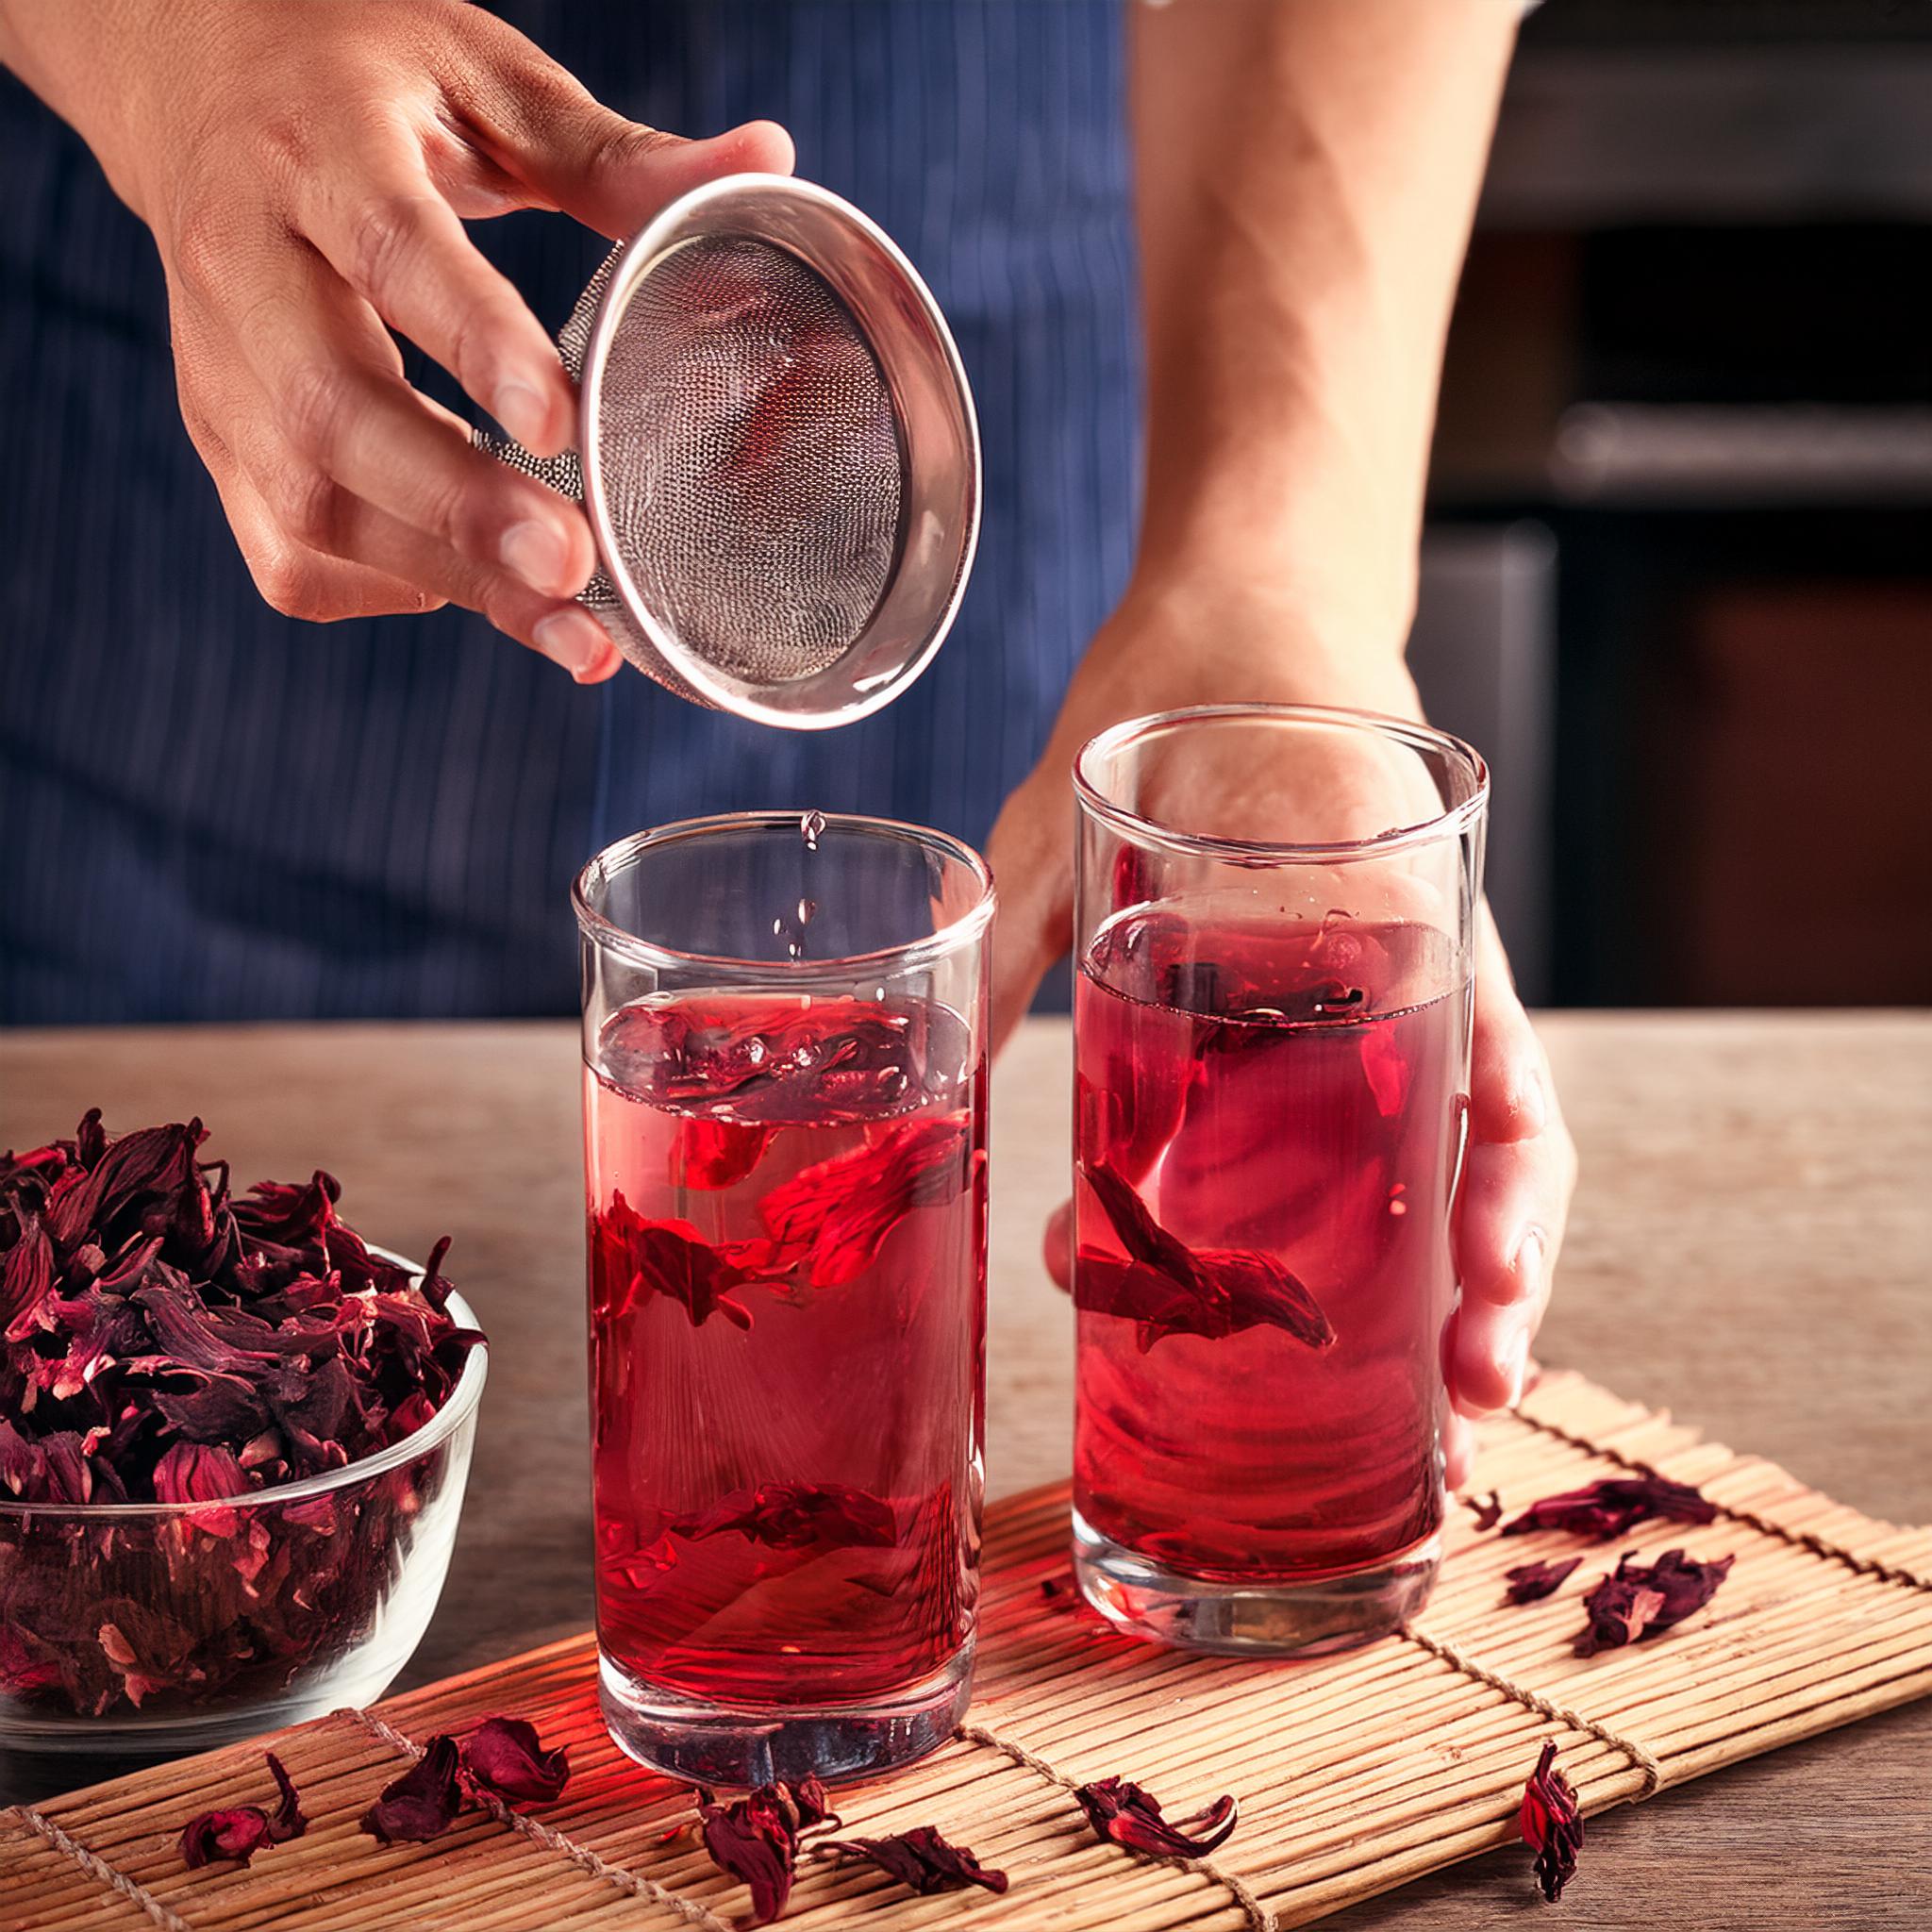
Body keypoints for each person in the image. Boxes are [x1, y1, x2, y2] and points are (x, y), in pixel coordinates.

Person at [0, 0, 1572, 1479]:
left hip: (980, 369)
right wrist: (165, 43)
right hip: (185, 564)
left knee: (865, 1386)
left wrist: (1271, 579)